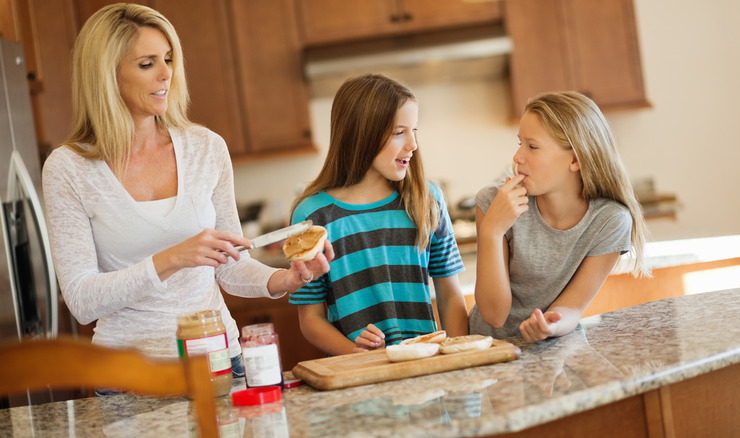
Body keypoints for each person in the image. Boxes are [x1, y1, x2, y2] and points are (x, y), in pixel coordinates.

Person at [41, 3, 332, 375]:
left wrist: (286, 279)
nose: (167, 74)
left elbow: (232, 269)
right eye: (147, 64)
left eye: (168, 58)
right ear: (105, 76)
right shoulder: (69, 168)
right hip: (128, 376)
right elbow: (82, 300)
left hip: (219, 361)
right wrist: (174, 257)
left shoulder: (205, 148)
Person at [289, 73, 468, 355]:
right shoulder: (313, 216)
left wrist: (458, 360)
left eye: (414, 130)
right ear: (361, 134)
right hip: (360, 381)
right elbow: (311, 319)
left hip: (428, 371)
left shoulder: (427, 199)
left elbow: (450, 296)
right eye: (399, 132)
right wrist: (355, 354)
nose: (413, 145)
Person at [470, 91, 649, 342]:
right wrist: (492, 231)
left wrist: (550, 326)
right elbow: (494, 315)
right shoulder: (494, 202)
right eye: (519, 143)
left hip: (555, 349)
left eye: (532, 146)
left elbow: (572, 307)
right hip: (489, 352)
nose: (517, 157)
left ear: (575, 159)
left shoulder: (609, 221)